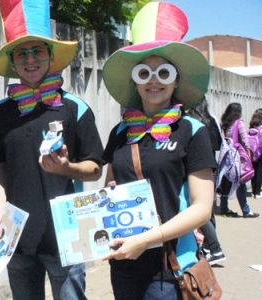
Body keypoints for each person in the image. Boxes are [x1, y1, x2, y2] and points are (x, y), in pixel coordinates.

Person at [0, 1, 104, 299]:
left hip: (68, 233)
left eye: (38, 51)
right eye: (21, 53)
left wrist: (67, 169)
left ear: (51, 57)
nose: (30, 59)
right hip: (17, 234)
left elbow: (95, 168)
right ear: (12, 61)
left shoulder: (75, 109)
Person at [101, 2, 216, 299]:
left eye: (163, 72)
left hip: (168, 266)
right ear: (135, 82)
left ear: (176, 79)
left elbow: (202, 207)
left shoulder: (193, 130)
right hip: (124, 260)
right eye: (144, 73)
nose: (153, 80)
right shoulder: (120, 132)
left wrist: (147, 239)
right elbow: (109, 188)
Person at [186, 98, 226, 265]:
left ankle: (215, 249)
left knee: (200, 211)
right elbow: (220, 143)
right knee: (207, 209)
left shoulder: (191, 123)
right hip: (212, 167)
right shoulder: (212, 119)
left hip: (196, 169)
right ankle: (209, 247)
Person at [219, 102, 259, 218]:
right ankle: (246, 210)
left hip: (226, 156)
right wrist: (249, 157)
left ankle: (224, 207)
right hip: (237, 157)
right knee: (241, 182)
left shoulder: (224, 124)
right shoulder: (239, 123)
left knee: (226, 182)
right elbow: (246, 141)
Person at [249, 108, 262, 198]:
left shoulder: (251, 126)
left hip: (252, 151)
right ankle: (257, 192)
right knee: (260, 172)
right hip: (260, 152)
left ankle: (254, 191)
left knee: (254, 171)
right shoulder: (261, 128)